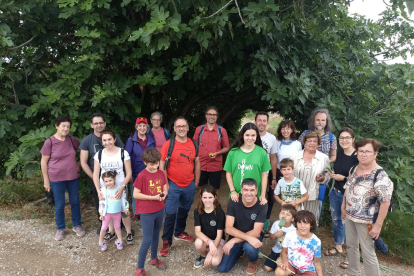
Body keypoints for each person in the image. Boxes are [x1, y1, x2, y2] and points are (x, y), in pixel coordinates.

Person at [341, 138, 393, 276]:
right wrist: (343, 205)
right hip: (350, 216)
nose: (363, 154)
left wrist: (378, 226)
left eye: (368, 151)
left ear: (375, 154)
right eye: (361, 151)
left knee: (368, 252)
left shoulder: (380, 175)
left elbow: (385, 202)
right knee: (351, 246)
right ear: (357, 153)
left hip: (367, 222)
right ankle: (353, 271)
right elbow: (348, 187)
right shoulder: (354, 168)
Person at [159, 117, 201, 257]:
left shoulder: (194, 144)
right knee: (170, 213)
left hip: (189, 184)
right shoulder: (169, 144)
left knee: (184, 210)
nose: (181, 128)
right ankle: (166, 241)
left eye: (184, 126)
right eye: (178, 126)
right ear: (175, 129)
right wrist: (166, 185)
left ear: (188, 128)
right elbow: (162, 165)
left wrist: (196, 183)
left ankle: (179, 232)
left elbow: (197, 163)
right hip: (173, 184)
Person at [40, 115, 85, 241]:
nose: (66, 129)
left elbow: (83, 150)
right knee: (59, 204)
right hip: (56, 178)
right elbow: (43, 162)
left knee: (75, 201)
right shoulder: (49, 142)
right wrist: (46, 180)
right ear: (57, 126)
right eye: (63, 126)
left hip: (72, 177)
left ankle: (77, 225)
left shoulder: (71, 140)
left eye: (68, 126)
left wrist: (80, 163)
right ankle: (60, 228)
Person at [79, 113, 125, 233]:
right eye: (96, 123)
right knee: (101, 201)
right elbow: (83, 162)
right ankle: (104, 225)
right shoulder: (87, 140)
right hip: (96, 178)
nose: (98, 125)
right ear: (91, 125)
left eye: (101, 122)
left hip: (115, 179)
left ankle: (119, 225)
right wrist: (95, 178)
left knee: (117, 200)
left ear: (104, 123)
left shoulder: (114, 137)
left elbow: (122, 156)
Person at [217, 178, 268, 274]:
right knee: (222, 268)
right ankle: (240, 250)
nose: (249, 193)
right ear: (241, 190)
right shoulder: (233, 201)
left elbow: (256, 232)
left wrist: (233, 240)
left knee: (249, 247)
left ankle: (253, 260)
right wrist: (239, 239)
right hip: (238, 235)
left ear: (257, 191)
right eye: (246, 190)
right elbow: (228, 228)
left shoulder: (262, 204)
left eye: (252, 190)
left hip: (252, 236)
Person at [92, 129, 134, 245]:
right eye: (104, 140)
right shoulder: (99, 154)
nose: (107, 142)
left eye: (109, 139)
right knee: (108, 209)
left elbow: (129, 172)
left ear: (114, 139)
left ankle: (129, 232)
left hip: (120, 186)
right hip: (104, 188)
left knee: (123, 210)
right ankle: (111, 231)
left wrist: (122, 187)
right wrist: (98, 190)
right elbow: (95, 174)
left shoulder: (123, 153)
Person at [324, 127, 358, 256]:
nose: (344, 140)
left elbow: (359, 178)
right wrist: (333, 174)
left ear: (353, 139)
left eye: (347, 138)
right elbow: (338, 169)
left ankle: (351, 253)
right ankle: (339, 246)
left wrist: (343, 178)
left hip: (350, 195)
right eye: (342, 138)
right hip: (336, 191)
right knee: (336, 220)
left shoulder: (357, 156)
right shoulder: (339, 153)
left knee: (350, 223)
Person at [134, 149, 168, 276]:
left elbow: (165, 187)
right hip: (147, 212)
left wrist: (164, 195)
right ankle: (140, 268)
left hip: (159, 209)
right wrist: (152, 198)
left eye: (156, 163)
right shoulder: (142, 175)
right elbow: (135, 194)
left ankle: (154, 259)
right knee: (147, 240)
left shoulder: (161, 173)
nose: (154, 167)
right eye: (151, 164)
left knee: (155, 236)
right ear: (145, 162)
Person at [223, 123, 271, 205]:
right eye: (247, 135)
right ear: (242, 135)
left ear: (257, 136)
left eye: (253, 135)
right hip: (236, 195)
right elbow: (228, 173)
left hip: (254, 195)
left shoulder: (262, 152)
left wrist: (262, 195)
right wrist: (233, 191)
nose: (250, 138)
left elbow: (264, 175)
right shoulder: (233, 152)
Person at [290, 132, 330, 228]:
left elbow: (328, 176)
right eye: (309, 141)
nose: (312, 143)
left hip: (313, 195)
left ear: (318, 143)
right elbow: (288, 175)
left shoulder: (323, 158)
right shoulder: (294, 156)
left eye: (315, 141)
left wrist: (323, 178)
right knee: (294, 219)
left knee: (310, 220)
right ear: (304, 142)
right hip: (296, 196)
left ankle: (309, 240)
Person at [193, 106, 230, 198]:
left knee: (215, 188)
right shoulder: (199, 129)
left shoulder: (222, 130)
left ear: (217, 117)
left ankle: (215, 208)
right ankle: (202, 207)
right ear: (206, 116)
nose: (212, 116)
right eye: (210, 114)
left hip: (215, 166)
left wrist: (217, 153)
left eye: (214, 115)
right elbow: (193, 145)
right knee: (202, 187)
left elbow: (226, 147)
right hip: (201, 165)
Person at [125, 117, 156, 221]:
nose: (142, 128)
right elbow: (127, 157)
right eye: (140, 126)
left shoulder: (151, 140)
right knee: (135, 193)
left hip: (149, 170)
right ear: (136, 127)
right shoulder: (131, 140)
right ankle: (137, 212)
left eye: (144, 126)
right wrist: (128, 173)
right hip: (135, 171)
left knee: (148, 191)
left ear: (147, 127)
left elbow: (153, 155)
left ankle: (147, 210)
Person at [275, 210, 323, 276]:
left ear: (311, 225)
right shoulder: (290, 234)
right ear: (296, 223)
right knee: (279, 272)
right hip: (291, 264)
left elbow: (317, 262)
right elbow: (284, 251)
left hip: (307, 269)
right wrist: (284, 261)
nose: (302, 226)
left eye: (306, 223)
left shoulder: (316, 241)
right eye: (299, 222)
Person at [254, 112, 278, 235]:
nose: (262, 123)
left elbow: (273, 158)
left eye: (264, 120)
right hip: (250, 173)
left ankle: (263, 224)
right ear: (255, 122)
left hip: (265, 174)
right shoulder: (249, 135)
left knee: (264, 199)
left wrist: (273, 177)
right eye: (259, 120)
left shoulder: (271, 138)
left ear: (267, 123)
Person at [194, 185, 226, 269]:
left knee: (215, 262)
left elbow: (219, 236)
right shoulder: (197, 211)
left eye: (210, 197)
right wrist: (210, 243)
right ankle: (203, 255)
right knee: (198, 243)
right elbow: (198, 232)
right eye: (205, 197)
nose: (207, 200)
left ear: (215, 197)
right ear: (201, 197)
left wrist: (210, 253)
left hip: (218, 240)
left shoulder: (220, 213)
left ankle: (213, 252)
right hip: (206, 240)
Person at [98, 171, 130, 251]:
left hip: (117, 212)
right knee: (104, 227)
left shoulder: (119, 188)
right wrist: (101, 213)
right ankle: (101, 242)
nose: (108, 183)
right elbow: (101, 203)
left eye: (110, 180)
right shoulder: (103, 191)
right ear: (103, 182)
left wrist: (125, 209)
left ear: (114, 179)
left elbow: (123, 200)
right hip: (107, 213)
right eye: (106, 181)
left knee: (117, 226)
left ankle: (120, 241)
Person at [263, 205, 297, 272]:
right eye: (282, 213)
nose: (284, 216)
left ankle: (282, 265)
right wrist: (275, 234)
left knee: (280, 264)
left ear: (292, 219)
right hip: (276, 251)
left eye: (288, 215)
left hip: (287, 253)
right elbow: (271, 237)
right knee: (267, 268)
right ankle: (279, 265)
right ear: (279, 214)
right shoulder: (276, 224)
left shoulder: (294, 230)